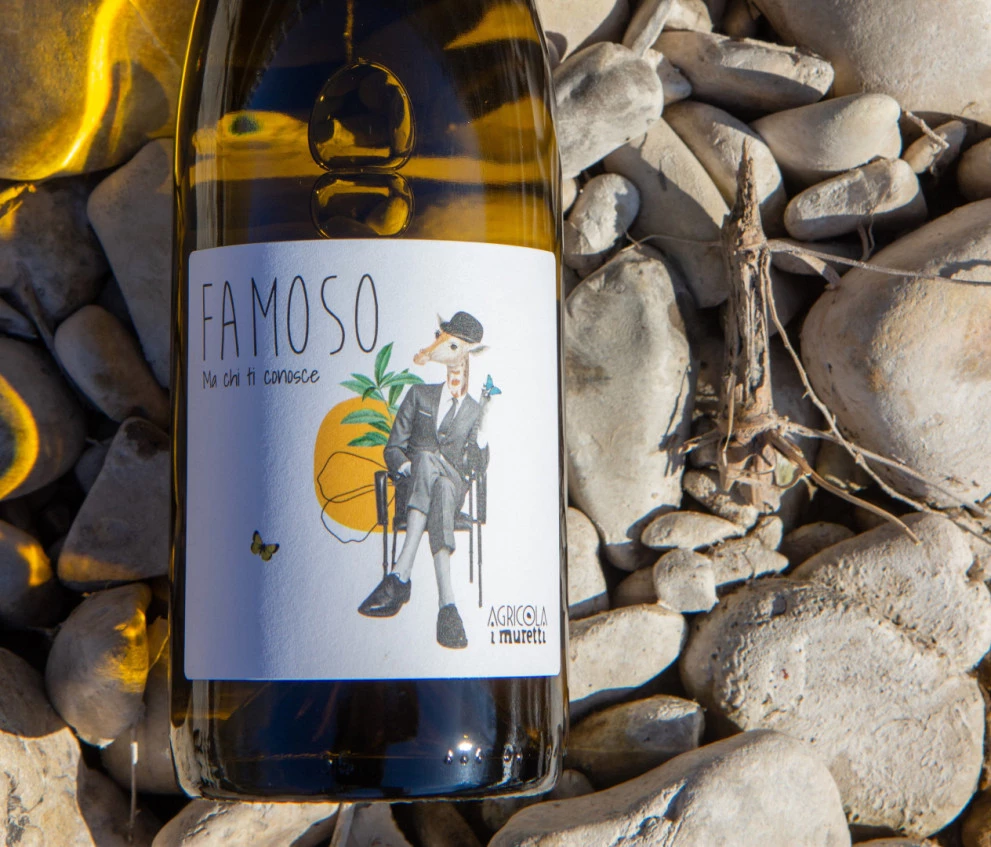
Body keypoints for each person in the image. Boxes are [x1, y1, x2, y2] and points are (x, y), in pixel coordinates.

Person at [357, 312, 486, 649]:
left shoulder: (475, 410)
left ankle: (400, 575)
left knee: (435, 468)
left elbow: (476, 463)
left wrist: (485, 432)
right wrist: (406, 467)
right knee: (434, 479)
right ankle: (448, 606)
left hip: (455, 484)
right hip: (421, 487)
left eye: (452, 345)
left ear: (466, 354)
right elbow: (393, 448)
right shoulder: (418, 395)